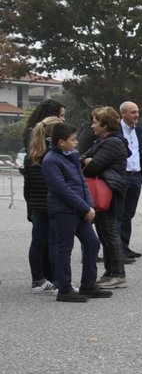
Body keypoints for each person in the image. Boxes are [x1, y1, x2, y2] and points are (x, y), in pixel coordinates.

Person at [42, 122, 112, 303]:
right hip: (63, 210)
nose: (76, 143)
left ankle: (88, 285)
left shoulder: (71, 156)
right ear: (60, 142)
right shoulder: (50, 160)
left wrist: (89, 206)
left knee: (92, 244)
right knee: (64, 248)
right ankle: (64, 289)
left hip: (81, 209)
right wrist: (84, 207)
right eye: (72, 140)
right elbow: (61, 189)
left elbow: (82, 183)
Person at [82, 106, 131, 289]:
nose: (92, 125)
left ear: (105, 124)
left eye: (95, 122)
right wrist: (87, 160)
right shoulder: (103, 141)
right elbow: (84, 159)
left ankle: (118, 274)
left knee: (110, 234)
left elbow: (93, 166)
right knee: (105, 234)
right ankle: (110, 272)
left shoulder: (113, 143)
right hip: (106, 192)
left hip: (110, 193)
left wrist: (88, 161)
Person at [22, 103, 65, 292]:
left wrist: (30, 205)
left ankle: (37, 280)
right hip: (54, 204)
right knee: (56, 242)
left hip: (37, 204)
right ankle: (58, 280)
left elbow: (27, 185)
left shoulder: (31, 155)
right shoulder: (56, 155)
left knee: (37, 241)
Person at [115, 101, 142, 258]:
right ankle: (116, 251)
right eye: (133, 112)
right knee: (118, 213)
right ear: (123, 113)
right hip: (121, 175)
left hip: (136, 176)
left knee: (129, 214)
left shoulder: (139, 131)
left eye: (137, 112)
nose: (137, 115)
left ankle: (124, 246)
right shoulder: (115, 130)